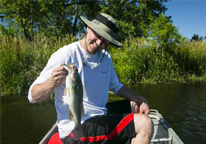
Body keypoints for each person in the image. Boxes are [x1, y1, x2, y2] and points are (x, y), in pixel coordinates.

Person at [28, 13, 153, 144]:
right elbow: (32, 96)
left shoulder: (106, 56)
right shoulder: (65, 54)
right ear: (88, 28)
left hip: (99, 116)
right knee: (145, 124)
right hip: (76, 128)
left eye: (105, 41)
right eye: (98, 35)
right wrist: (51, 83)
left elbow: (116, 86)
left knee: (134, 106)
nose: (99, 43)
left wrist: (140, 99)